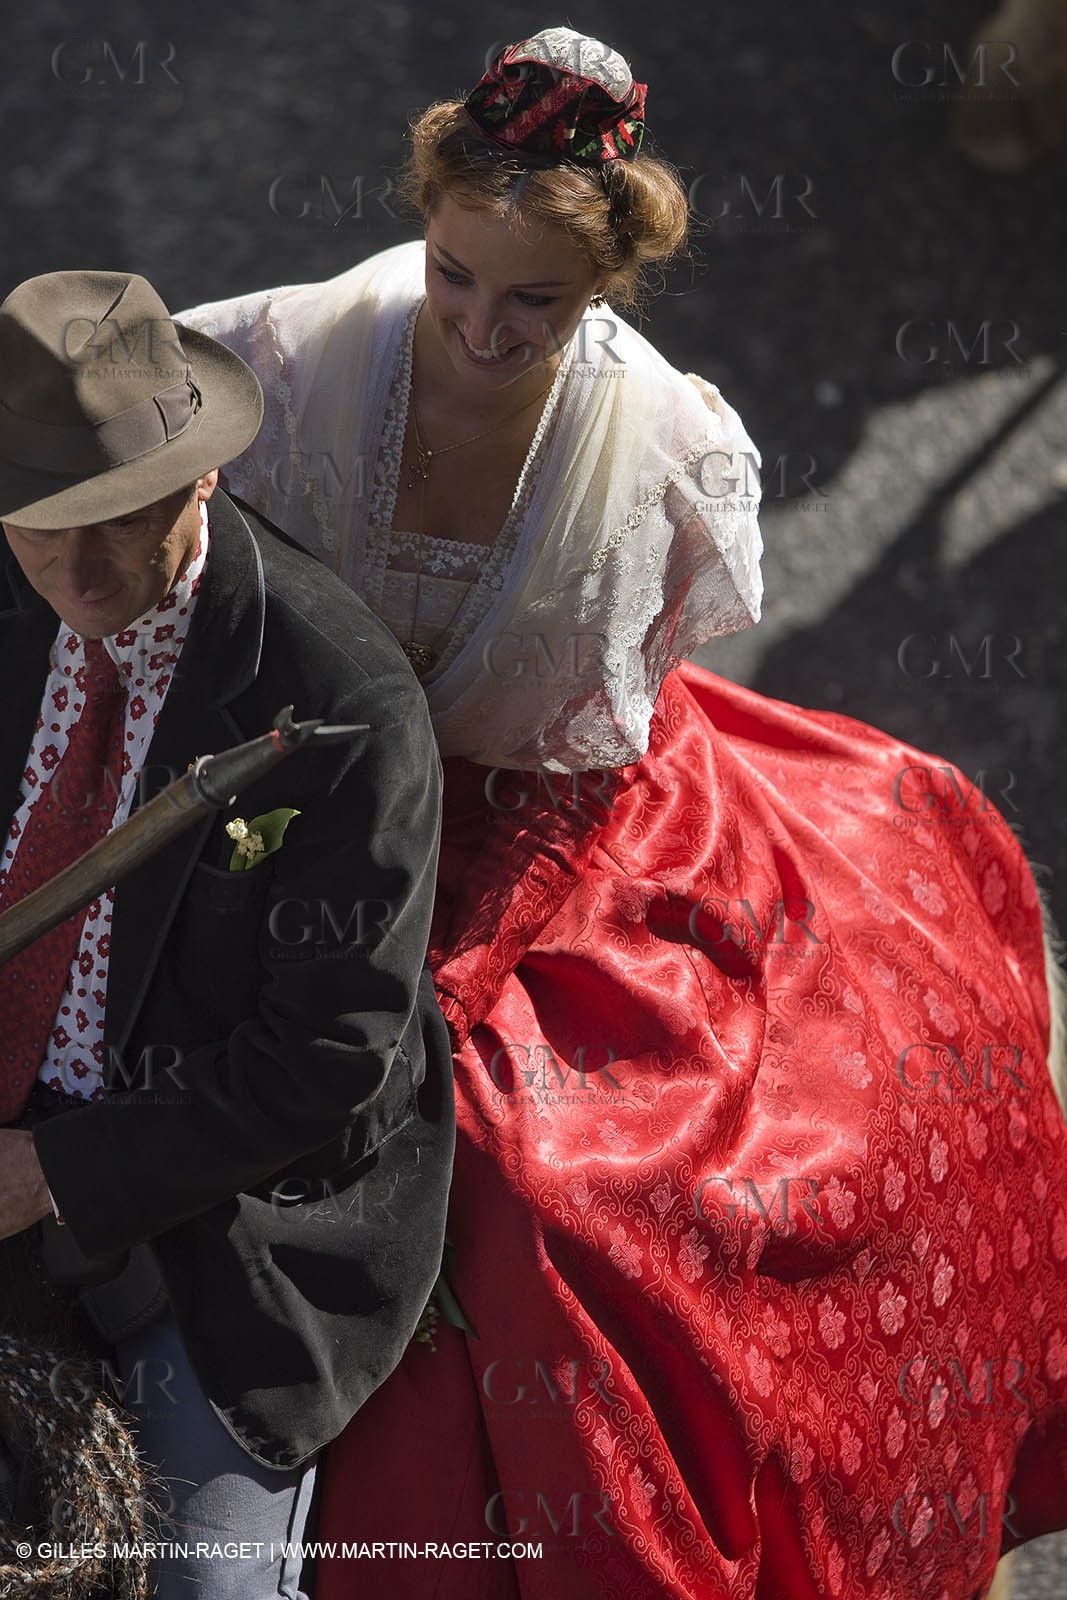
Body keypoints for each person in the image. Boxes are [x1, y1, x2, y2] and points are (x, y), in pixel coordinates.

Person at [180, 27, 1067, 1600]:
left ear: (608, 293)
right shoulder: (295, 353)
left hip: (546, 829)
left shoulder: (668, 447)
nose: (480, 326)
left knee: (544, 1188)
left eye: (537, 300)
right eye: (455, 272)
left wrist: (443, 978)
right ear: (423, 221)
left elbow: (591, 762)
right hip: (309, 793)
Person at [0, 267, 454, 1600]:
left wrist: (44, 1175)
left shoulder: (341, 703)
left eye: (115, 522)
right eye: (35, 529)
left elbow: (320, 1061)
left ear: (199, 478)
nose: (74, 575)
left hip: (228, 1209)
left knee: (200, 1592)